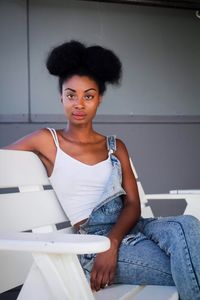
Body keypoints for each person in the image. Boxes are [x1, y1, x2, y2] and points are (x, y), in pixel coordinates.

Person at [3, 40, 200, 300]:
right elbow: (4, 159)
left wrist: (113, 243)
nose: (79, 103)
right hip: (91, 243)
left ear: (99, 100)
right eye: (71, 94)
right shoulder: (47, 140)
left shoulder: (115, 146)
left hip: (131, 229)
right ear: (61, 97)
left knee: (187, 224)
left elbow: (132, 204)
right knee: (190, 263)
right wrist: (104, 246)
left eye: (88, 95)